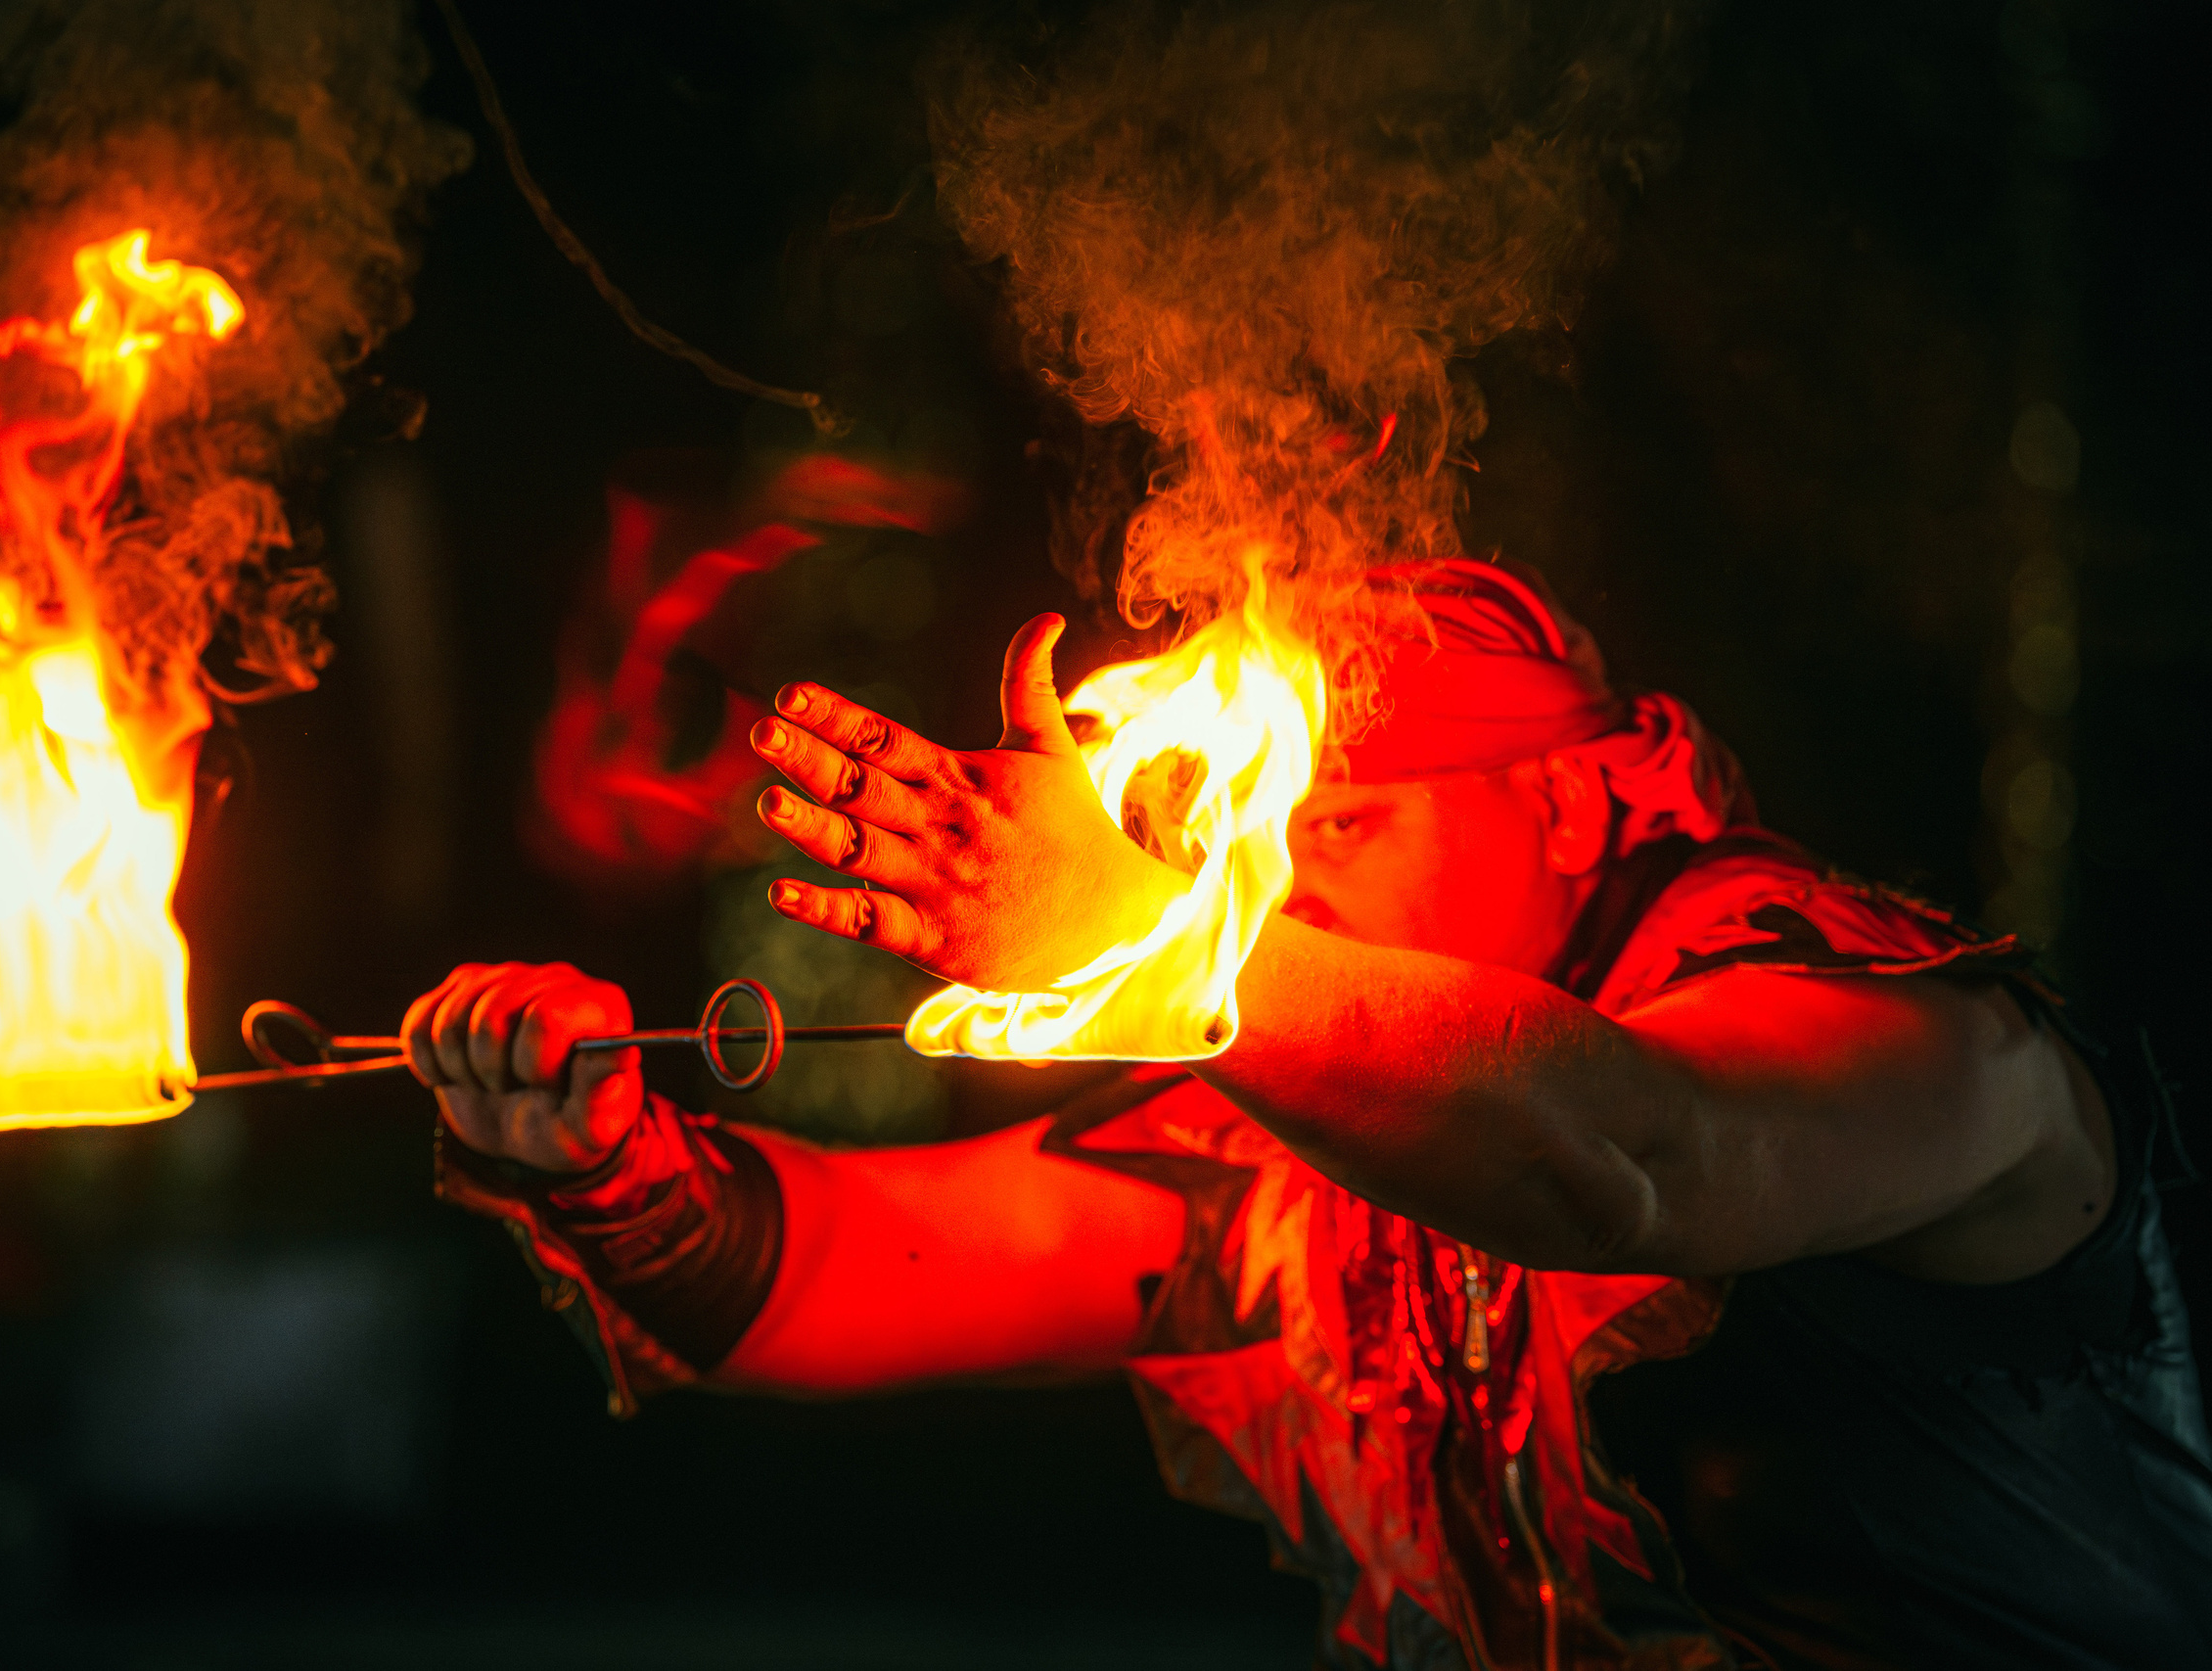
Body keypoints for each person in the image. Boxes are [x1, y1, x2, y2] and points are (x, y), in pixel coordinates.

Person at [409, 561, 2212, 1669]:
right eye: (1238, 847)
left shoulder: (1929, 1053)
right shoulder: (1308, 1161)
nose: (1262, 893)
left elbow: (1634, 1163)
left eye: (1337, 821)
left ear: (1579, 803)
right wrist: (609, 1164)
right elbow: (862, 1272)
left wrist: (1144, 947)